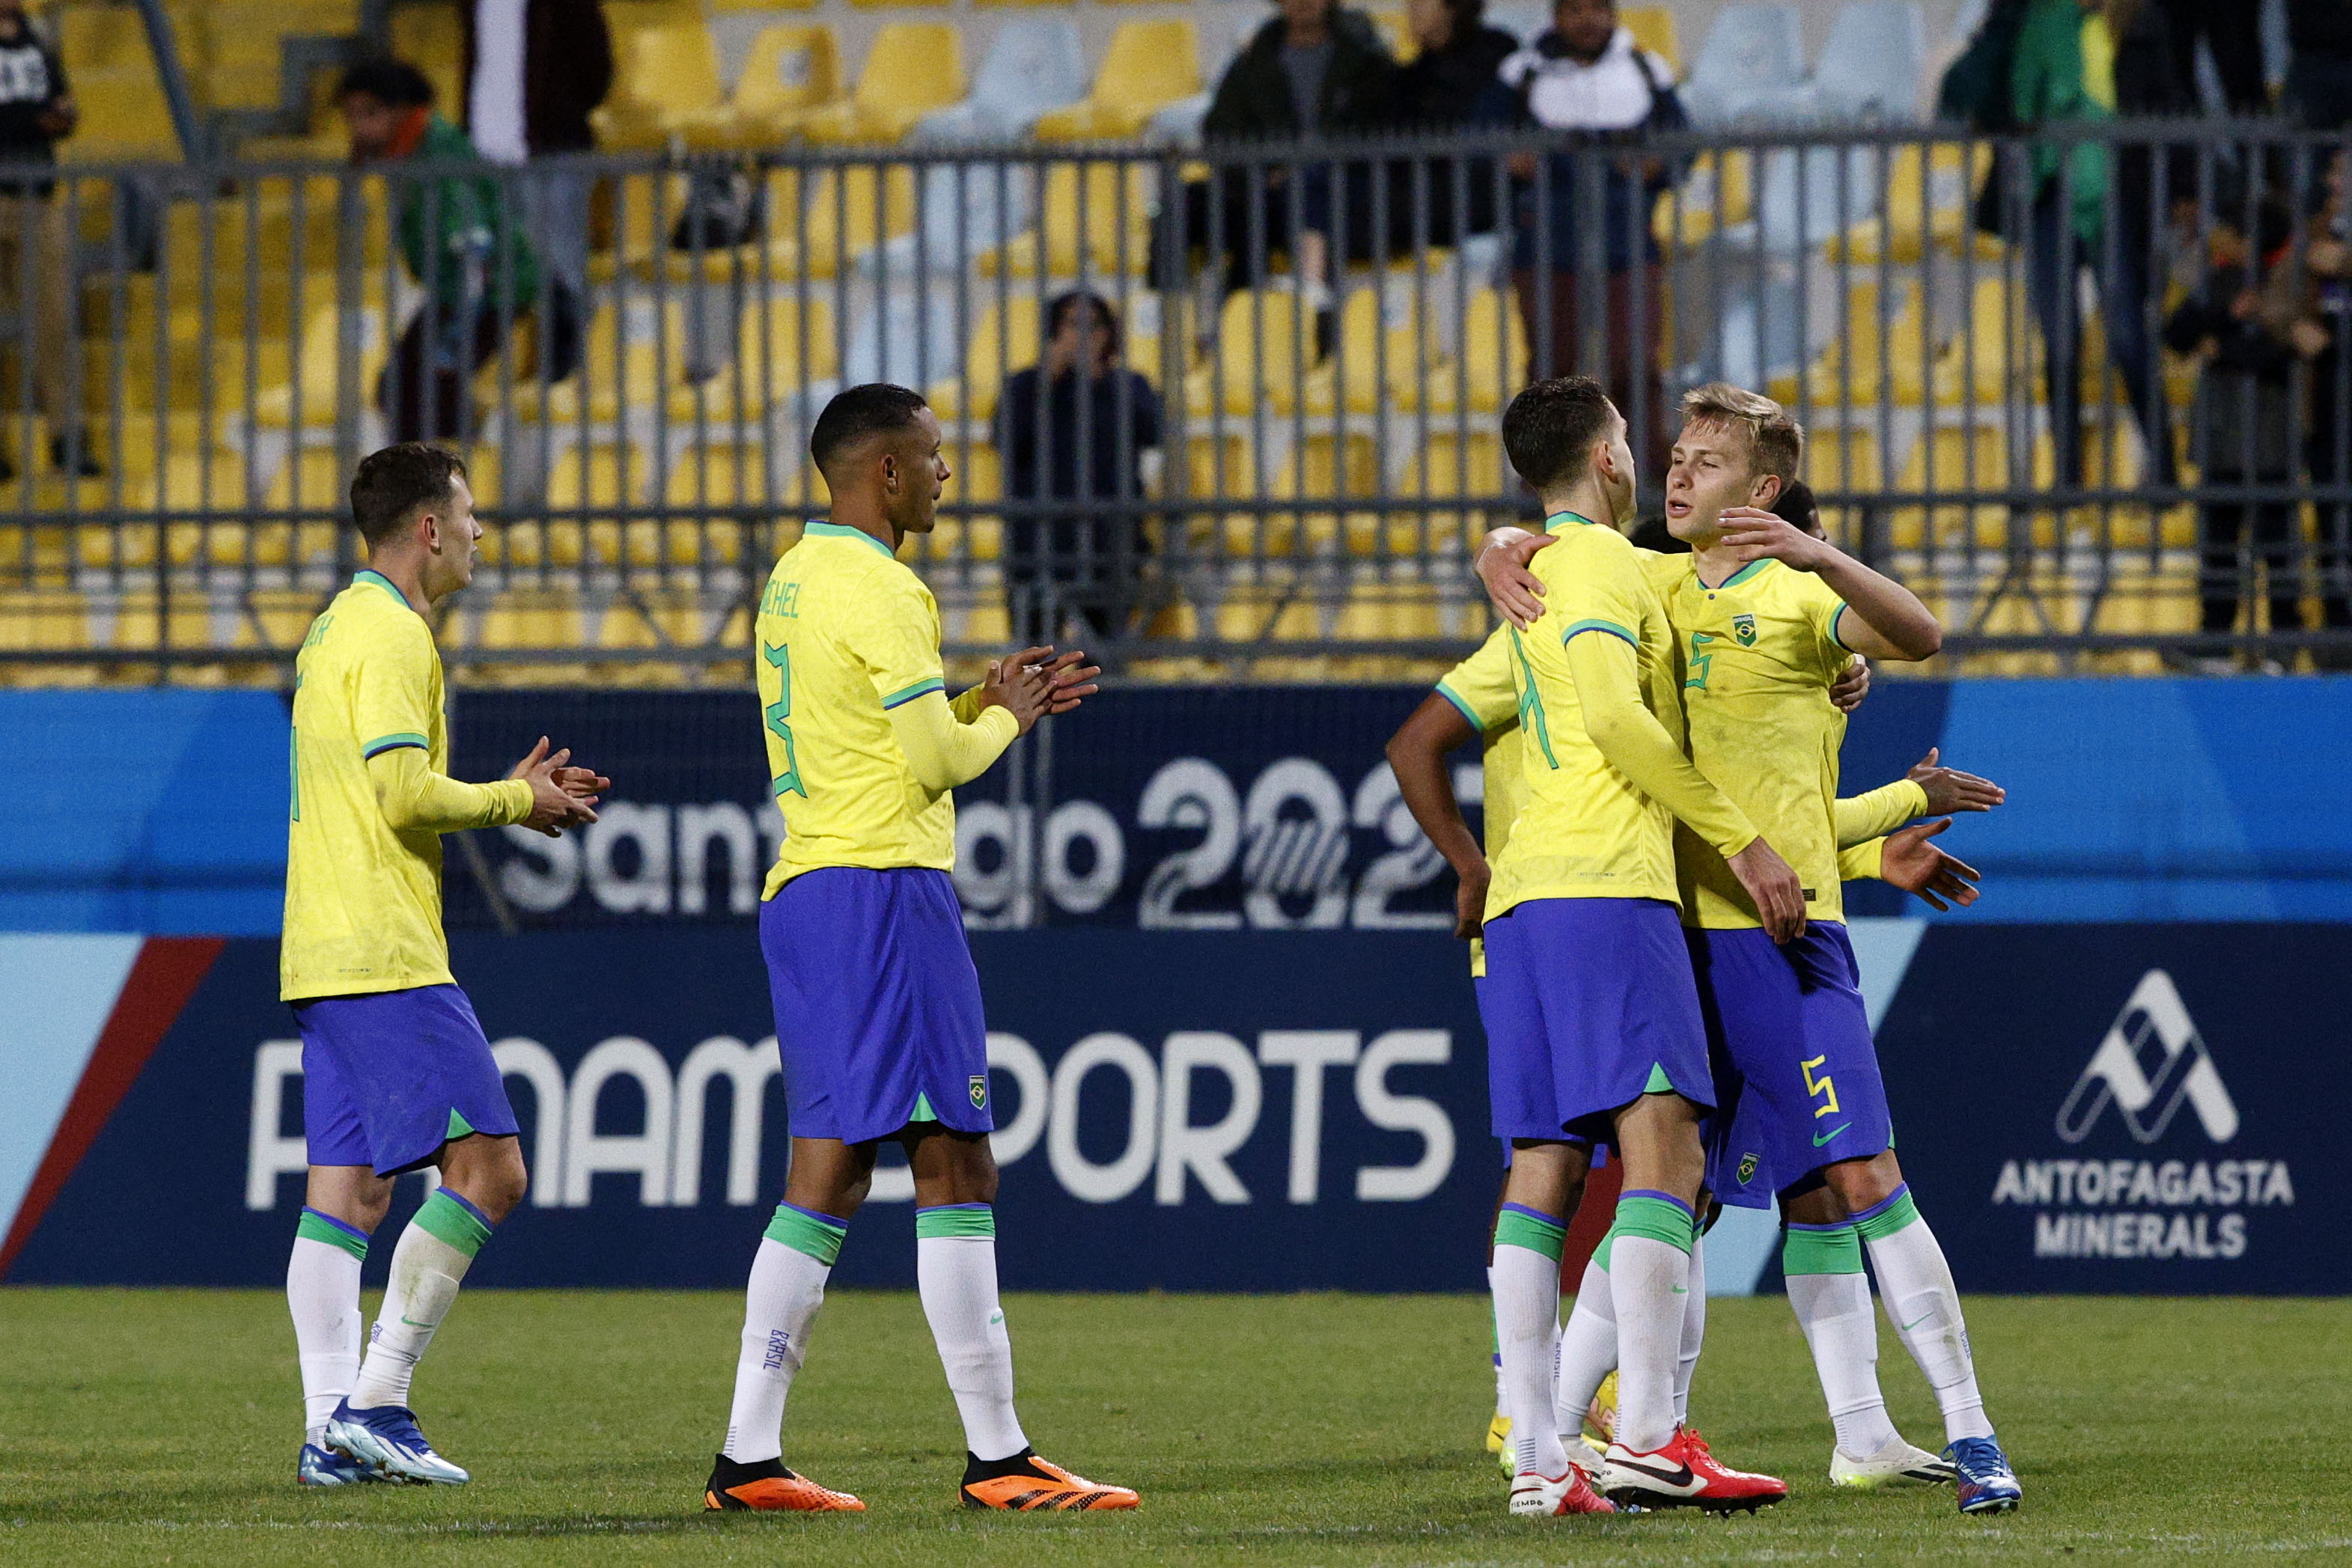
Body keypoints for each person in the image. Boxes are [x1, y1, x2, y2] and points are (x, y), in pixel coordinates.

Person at [1475, 383, 2025, 1516]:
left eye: (1708, 461)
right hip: (1672, 931)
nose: (1675, 475)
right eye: (1670, 455)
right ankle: (1558, 1437)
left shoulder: (1794, 596)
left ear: (1763, 491)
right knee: (1674, 1193)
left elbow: (1918, 634)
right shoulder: (1646, 578)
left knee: (1850, 1179)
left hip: (1781, 936)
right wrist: (1499, 546)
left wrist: (1816, 554)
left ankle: (1968, 1432)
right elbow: (1557, 541)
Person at [706, 383, 1131, 1515]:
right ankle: (998, 1454)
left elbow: (876, 730)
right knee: (955, 1157)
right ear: (883, 472)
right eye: (932, 457)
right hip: (883, 889)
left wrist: (969, 696)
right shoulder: (888, 585)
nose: (947, 473)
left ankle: (749, 1455)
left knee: (831, 1169)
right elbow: (936, 761)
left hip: (808, 885)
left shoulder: (794, 577)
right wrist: (1003, 716)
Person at [1385, 609, 1875, 1475]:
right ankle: (1579, 1415)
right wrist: (1468, 862)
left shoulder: (1657, 630)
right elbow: (1415, 740)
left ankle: (1551, 1424)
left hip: (1595, 914)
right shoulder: (1557, 623)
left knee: (1629, 1171)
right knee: (1639, 1160)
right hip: (1593, 910)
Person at [1475, 375, 1800, 1516]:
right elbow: (1618, 717)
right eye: (1629, 437)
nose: (1644, 456)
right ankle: (1650, 1436)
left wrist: (1499, 540)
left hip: (1521, 896)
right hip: (1608, 885)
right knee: (1667, 1156)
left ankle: (1539, 1460)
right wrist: (1744, 841)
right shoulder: (1606, 562)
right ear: (1607, 458)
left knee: (1543, 1167)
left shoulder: (1554, 565)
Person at [281, 442, 605, 1486]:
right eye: (468, 515)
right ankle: (375, 1401)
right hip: (383, 950)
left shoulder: (335, 624)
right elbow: (400, 791)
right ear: (427, 528)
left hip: (321, 948)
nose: (477, 533)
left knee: (349, 1194)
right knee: (492, 1168)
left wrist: (499, 788)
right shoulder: (393, 630)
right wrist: (518, 799)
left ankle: (329, 1431)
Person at [1489, 0, 1687, 486]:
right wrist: (1509, 162)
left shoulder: (1644, 70)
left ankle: (1645, 481)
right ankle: (1542, 480)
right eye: (1574, 10)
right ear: (1556, 17)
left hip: (1627, 243)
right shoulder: (1522, 74)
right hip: (1546, 244)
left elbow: (1680, 142)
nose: (1586, 21)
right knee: (1550, 373)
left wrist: (1653, 166)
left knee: (1635, 362)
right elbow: (1480, 140)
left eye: (1597, 9)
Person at [338, 58, 562, 445]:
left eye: (371, 113)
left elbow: (472, 244)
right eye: (352, 116)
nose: (360, 127)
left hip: (487, 289)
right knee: (405, 388)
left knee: (425, 391)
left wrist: (456, 332)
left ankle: (442, 489)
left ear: (401, 110)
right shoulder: (405, 156)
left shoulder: (438, 155)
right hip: (457, 290)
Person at [2009, 0, 2178, 492]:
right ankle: (2069, 477)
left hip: (2118, 195)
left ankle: (2163, 467)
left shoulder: (2140, 21)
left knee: (2129, 337)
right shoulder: (2042, 21)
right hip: (2052, 193)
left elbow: (2165, 103)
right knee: (2059, 344)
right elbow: (2021, 101)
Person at [2163, 198, 2315, 657]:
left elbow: (2282, 352)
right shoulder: (2220, 277)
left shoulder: (2293, 279)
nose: (2221, 238)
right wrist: (2229, 321)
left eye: (2231, 231)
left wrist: (2222, 347)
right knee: (2218, 542)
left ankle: (2284, 643)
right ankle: (2216, 641)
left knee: (2277, 540)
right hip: (2223, 428)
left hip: (2270, 426)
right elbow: (2176, 334)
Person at [1199, 0, 1398, 300]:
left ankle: (1314, 304)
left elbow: (1389, 128)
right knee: (1186, 204)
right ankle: (1167, 319)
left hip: (1350, 194)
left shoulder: (1365, 59)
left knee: (1307, 185)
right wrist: (1265, 172)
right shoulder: (1255, 61)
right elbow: (1219, 133)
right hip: (1265, 191)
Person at [994, 291, 1163, 644]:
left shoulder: (1128, 384)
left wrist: (1105, 380)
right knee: (1033, 655)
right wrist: (1049, 378)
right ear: (1054, 331)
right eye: (1073, 325)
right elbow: (1005, 439)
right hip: (1039, 541)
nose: (1085, 335)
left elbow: (1155, 431)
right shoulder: (1025, 385)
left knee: (1106, 656)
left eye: (1095, 326)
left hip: (1111, 539)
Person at [459, 0, 610, 342]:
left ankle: (573, 369)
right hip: (487, 155)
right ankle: (524, 371)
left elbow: (596, 69)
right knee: (501, 277)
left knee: (560, 270)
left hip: (551, 152)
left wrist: (557, 116)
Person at [0, 0, 95, 480]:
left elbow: (61, 105)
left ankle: (68, 438)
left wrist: (56, 117)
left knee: (54, 325)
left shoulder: (36, 36)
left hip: (37, 195)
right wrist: (31, 118)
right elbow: (35, 112)